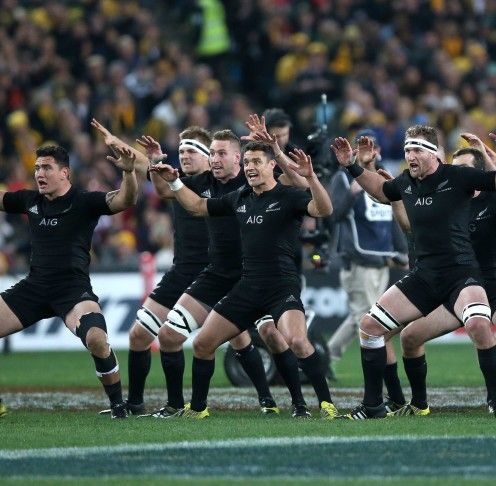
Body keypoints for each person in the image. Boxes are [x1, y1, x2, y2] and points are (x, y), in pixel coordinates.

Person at [329, 124, 496, 419]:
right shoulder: (406, 181)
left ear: (434, 154)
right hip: (425, 275)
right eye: (407, 150)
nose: (410, 155)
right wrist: (353, 167)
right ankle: (373, 406)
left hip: (461, 273)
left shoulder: (458, 176)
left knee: (479, 326)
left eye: (416, 149)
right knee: (369, 327)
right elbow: (381, 190)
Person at [151, 140, 338, 419]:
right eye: (248, 163)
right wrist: (177, 184)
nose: (250, 168)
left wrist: (310, 178)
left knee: (297, 341)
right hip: (248, 286)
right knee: (203, 344)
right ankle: (198, 409)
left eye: (256, 162)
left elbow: (324, 210)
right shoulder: (239, 198)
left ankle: (323, 404)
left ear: (271, 166)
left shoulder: (288, 196)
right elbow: (199, 206)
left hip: (281, 285)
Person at [392, 143, 496, 417]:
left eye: (465, 168)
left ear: (477, 173)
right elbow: (412, 225)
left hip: (495, 282)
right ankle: (420, 404)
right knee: (409, 336)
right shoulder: (449, 201)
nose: (458, 172)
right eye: (456, 167)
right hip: (460, 286)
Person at [145, 129, 286, 417]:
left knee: (268, 334)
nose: (215, 159)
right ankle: (176, 405)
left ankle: (277, 400)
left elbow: (286, 182)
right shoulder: (201, 183)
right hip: (217, 273)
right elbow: (166, 189)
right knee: (170, 336)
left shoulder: (252, 179)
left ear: (238, 157)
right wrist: (154, 163)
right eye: (212, 153)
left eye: (221, 153)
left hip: (252, 275)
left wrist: (274, 147)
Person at [0, 143, 137, 418]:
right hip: (34, 288)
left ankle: (118, 405)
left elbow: (125, 200)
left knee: (98, 340)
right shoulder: (30, 201)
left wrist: (129, 173)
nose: (40, 173)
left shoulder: (84, 201)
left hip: (72, 292)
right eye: (37, 168)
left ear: (65, 173)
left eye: (47, 167)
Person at [119, 126, 212, 415]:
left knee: (248, 336)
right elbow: (161, 188)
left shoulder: (221, 182)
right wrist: (156, 160)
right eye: (181, 150)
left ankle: (269, 401)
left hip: (216, 274)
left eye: (191, 151)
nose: (184, 155)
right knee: (138, 335)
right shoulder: (177, 181)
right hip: (181, 270)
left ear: (209, 156)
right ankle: (135, 404)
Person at [327, 129, 409, 410]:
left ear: (379, 151)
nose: (368, 151)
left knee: (367, 320)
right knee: (369, 322)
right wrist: (352, 190)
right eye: (363, 146)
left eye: (372, 146)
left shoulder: (386, 179)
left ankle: (327, 357)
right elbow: (333, 213)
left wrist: (401, 252)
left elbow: (393, 218)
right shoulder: (342, 177)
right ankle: (382, 390)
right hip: (358, 260)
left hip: (380, 261)